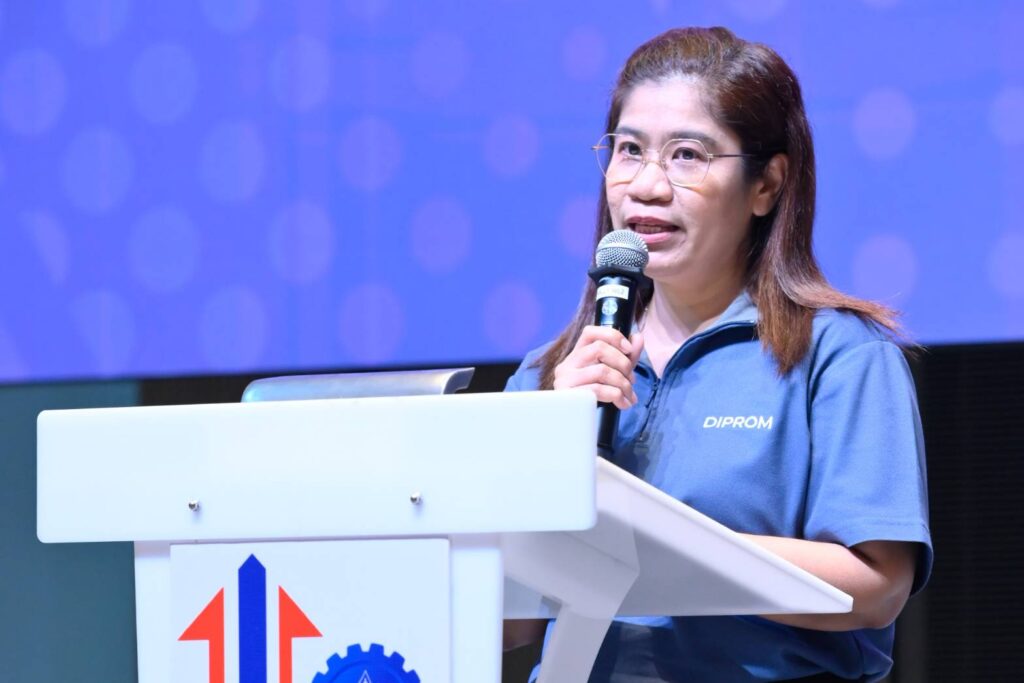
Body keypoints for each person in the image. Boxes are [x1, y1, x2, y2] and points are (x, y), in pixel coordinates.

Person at [503, 26, 932, 682]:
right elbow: (507, 623)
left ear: (766, 185)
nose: (646, 185)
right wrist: (548, 441)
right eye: (628, 150)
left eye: (687, 156)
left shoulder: (840, 356)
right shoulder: (553, 372)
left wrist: (660, 551)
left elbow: (876, 587)